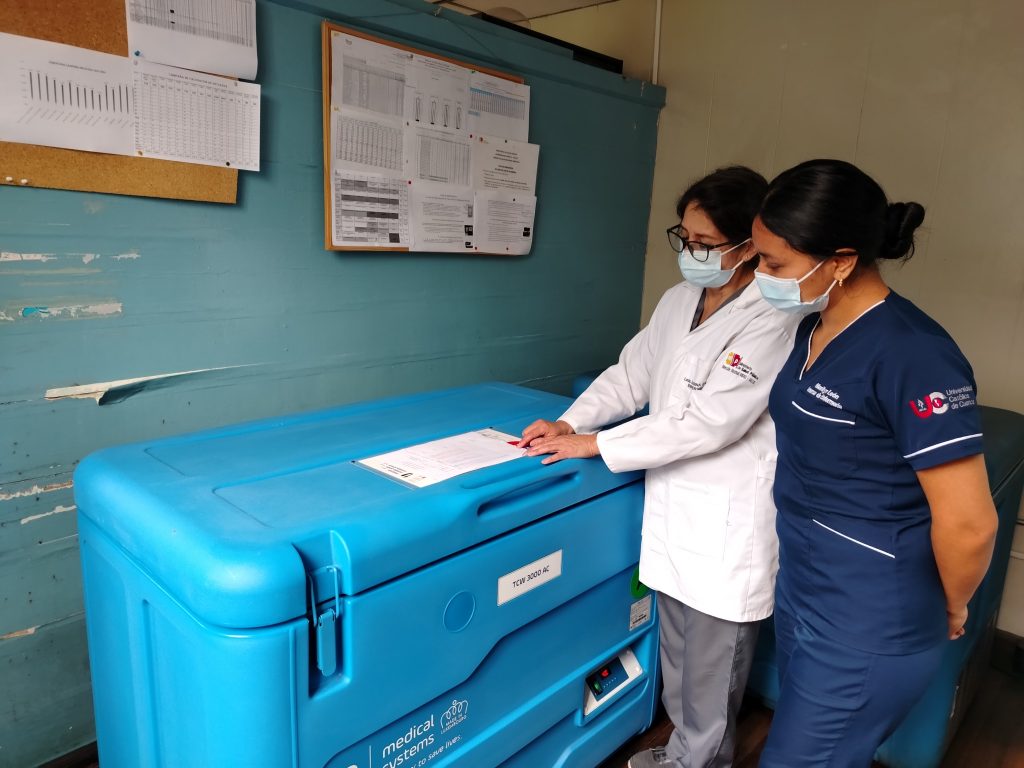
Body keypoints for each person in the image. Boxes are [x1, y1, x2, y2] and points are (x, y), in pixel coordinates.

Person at [519, 166, 800, 768]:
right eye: (686, 238)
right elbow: (632, 374)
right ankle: (679, 754)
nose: (691, 253)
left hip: (727, 523)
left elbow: (709, 421)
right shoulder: (679, 300)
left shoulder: (774, 317)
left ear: (749, 244)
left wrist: (599, 446)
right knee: (676, 657)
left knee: (712, 672)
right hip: (673, 507)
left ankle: (700, 762)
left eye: (705, 243)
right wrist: (575, 421)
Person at [750, 159, 999, 767]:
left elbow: (971, 523)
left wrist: (952, 602)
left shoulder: (915, 354)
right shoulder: (814, 327)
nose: (759, 275)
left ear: (838, 260)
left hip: (870, 617)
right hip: (807, 587)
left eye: (773, 263)